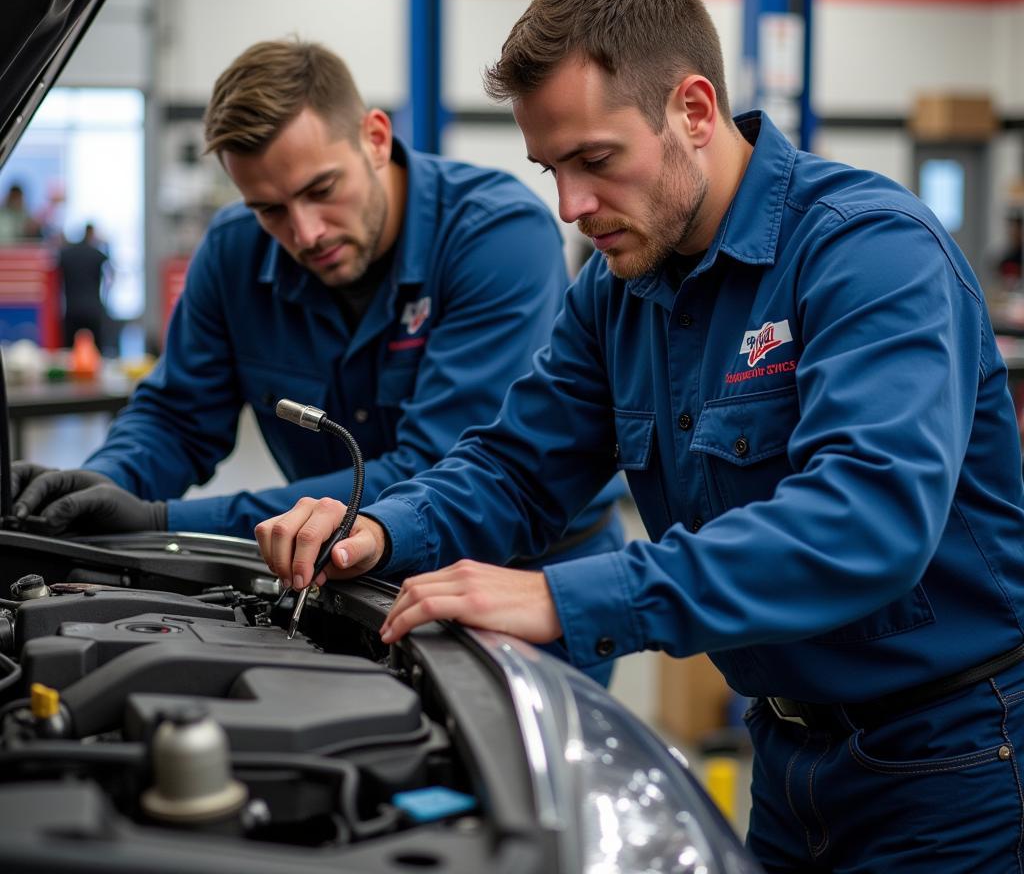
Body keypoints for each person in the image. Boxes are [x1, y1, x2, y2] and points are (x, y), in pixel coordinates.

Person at [258, 0, 1024, 872]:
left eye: (595, 161)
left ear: (693, 111)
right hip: (788, 759)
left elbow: (867, 520)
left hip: (954, 758)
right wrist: (378, 527)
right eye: (551, 168)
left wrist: (571, 597)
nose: (572, 208)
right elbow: (517, 466)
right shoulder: (619, 292)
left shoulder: (868, 253)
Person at [12, 39, 624, 680]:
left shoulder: (496, 236)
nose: (305, 233)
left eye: (320, 189)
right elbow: (176, 417)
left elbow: (436, 469)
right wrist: (106, 489)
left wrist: (163, 522)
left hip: (515, 583)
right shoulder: (234, 255)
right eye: (270, 209)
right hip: (329, 585)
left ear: (376, 137)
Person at [58, 222, 110, 350]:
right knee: (97, 351)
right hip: (93, 308)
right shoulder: (96, 254)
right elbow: (110, 272)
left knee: (68, 351)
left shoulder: (67, 254)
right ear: (92, 234)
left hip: (71, 308)